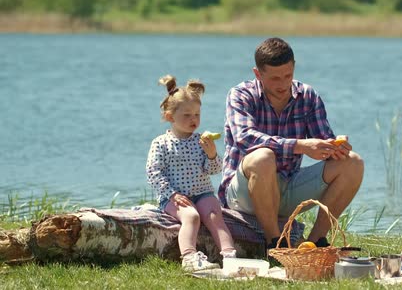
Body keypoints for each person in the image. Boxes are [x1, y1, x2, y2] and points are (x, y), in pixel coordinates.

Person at [218, 37, 364, 250]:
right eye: (275, 78)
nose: (283, 84)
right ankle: (275, 244)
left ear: (294, 68)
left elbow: (323, 143)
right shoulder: (240, 94)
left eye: (288, 75)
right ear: (258, 74)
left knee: (353, 162)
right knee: (263, 157)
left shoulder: (307, 96)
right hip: (243, 193)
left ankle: (314, 242)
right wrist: (300, 145)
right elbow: (245, 138)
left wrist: (335, 147)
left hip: (288, 186)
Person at [146, 75, 236, 272]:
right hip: (174, 197)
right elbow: (154, 173)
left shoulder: (200, 141)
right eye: (187, 115)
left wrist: (212, 154)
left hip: (202, 192)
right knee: (192, 216)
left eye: (197, 114)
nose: (193, 119)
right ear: (170, 117)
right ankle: (189, 258)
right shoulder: (161, 143)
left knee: (214, 215)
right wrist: (172, 194)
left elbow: (213, 170)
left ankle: (230, 256)